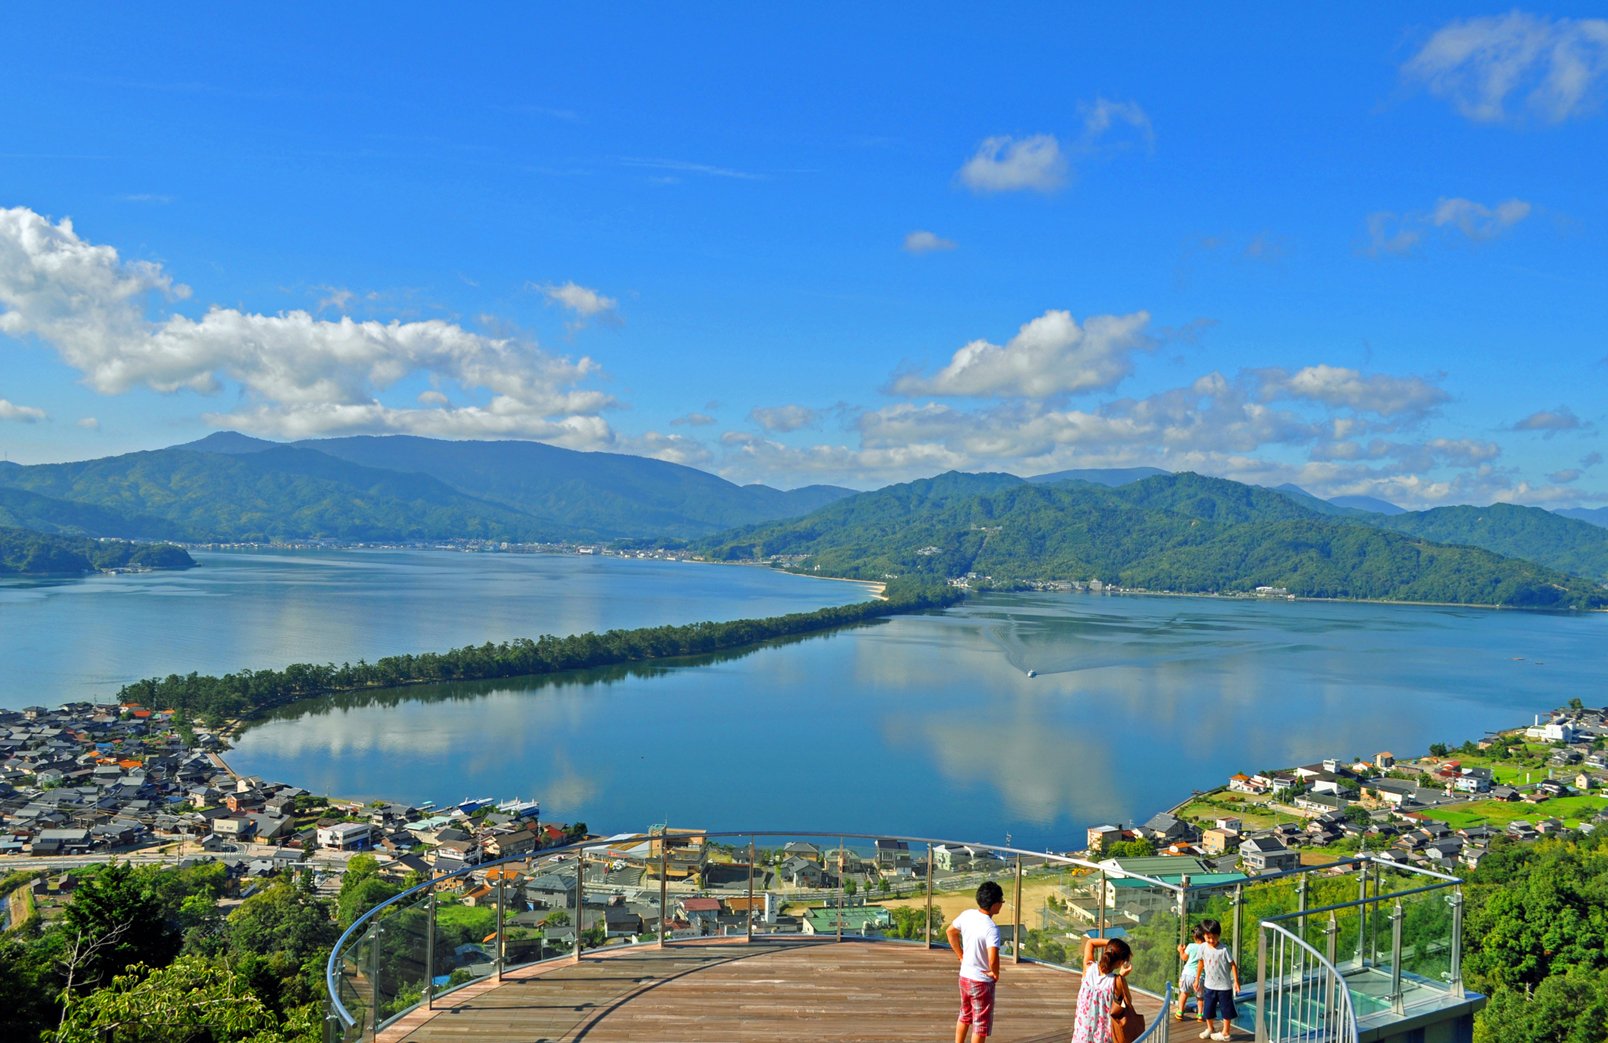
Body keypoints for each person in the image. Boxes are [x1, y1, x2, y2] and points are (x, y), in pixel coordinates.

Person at [947, 880, 1005, 1043]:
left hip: (964, 976)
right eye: (1001, 901)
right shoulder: (991, 928)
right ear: (994, 905)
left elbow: (950, 931)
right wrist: (995, 973)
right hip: (981, 981)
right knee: (980, 1024)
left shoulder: (968, 915)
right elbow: (993, 957)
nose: (1001, 904)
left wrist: (961, 955)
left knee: (965, 1015)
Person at [1070, 934, 1134, 1043]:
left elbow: (1090, 942)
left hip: (1082, 1036)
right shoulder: (1117, 981)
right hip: (1102, 1038)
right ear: (1119, 963)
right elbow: (1128, 1001)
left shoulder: (1088, 968)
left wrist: (1112, 944)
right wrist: (1122, 976)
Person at [1197, 918, 1241, 1041]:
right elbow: (1201, 963)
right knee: (1208, 1009)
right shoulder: (1203, 948)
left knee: (1226, 1010)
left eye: (1215, 937)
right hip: (1209, 985)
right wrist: (1197, 979)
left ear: (1219, 935)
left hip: (1224, 986)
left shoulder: (1224, 949)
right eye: (1209, 937)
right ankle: (1210, 1028)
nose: (1212, 940)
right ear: (1204, 935)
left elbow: (1233, 964)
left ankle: (1226, 1033)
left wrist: (1236, 981)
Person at [1176, 923, 1206, 1021]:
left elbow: (1184, 957)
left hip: (1187, 974)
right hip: (1199, 976)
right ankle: (1200, 1015)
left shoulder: (1191, 946)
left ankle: (1180, 1011)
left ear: (1194, 937)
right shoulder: (1206, 947)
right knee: (1200, 997)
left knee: (1184, 993)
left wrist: (1180, 950)